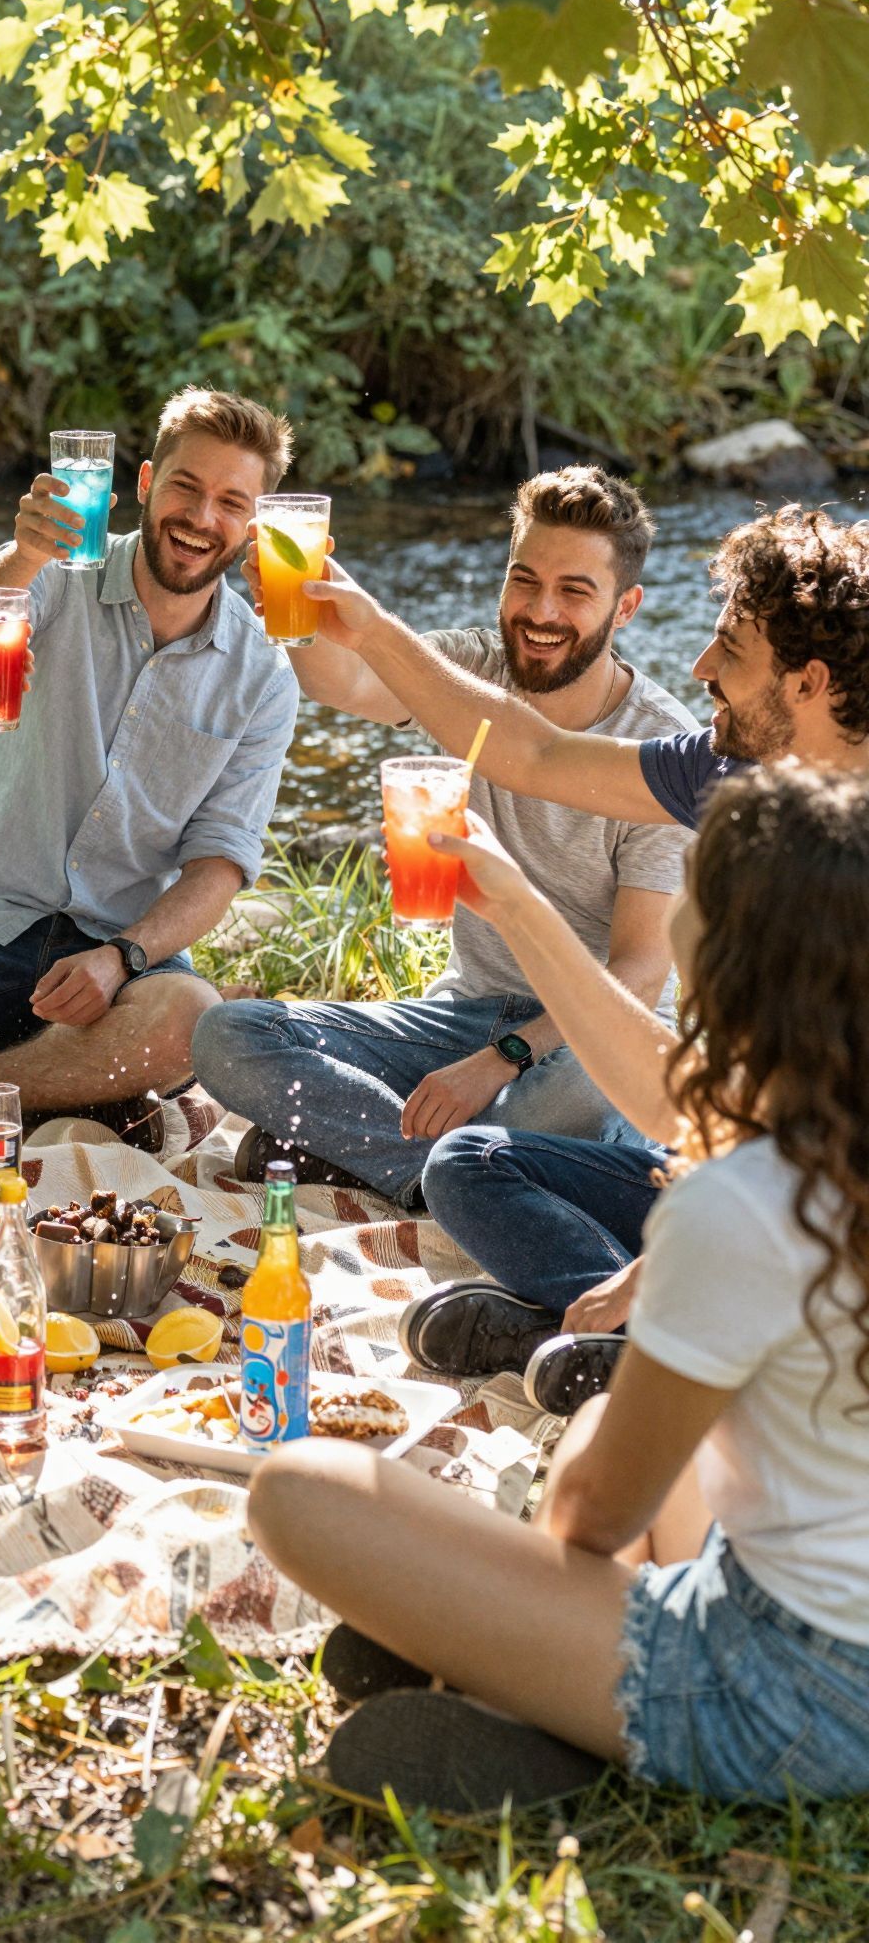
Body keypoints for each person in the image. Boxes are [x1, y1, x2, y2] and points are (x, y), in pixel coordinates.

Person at [249, 766, 869, 1812]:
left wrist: (506, 1595)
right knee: (588, 1424)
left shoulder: (739, 1204)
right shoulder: (813, 1162)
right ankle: (527, 1681)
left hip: (786, 1702)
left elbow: (590, 1520)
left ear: (725, 963)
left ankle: (540, 1707)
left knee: (299, 1489)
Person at [310, 504, 869, 1413]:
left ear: (808, 682)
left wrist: (682, 1246)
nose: (698, 670)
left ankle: (628, 1337)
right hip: (742, 1164)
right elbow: (534, 750)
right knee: (470, 1163)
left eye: (728, 650)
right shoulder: (732, 771)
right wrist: (372, 631)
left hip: (823, 1226)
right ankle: (609, 1328)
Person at [192, 466, 694, 1202]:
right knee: (228, 1036)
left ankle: (378, 1148)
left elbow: (638, 975)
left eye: (575, 591)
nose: (540, 610)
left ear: (626, 609)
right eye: (524, 581)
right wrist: (299, 606)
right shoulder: (468, 671)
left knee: (577, 1099)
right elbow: (347, 682)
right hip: (458, 1013)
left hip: (583, 1039)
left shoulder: (657, 752)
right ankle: (452, 1175)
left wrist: (503, 1058)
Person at [0, 389, 302, 1153]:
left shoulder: (263, 677)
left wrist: (123, 958)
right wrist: (25, 551)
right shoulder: (54, 573)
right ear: (144, 483)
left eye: (230, 502)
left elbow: (219, 865)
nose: (201, 518)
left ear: (254, 525)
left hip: (119, 952)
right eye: (185, 487)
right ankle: (28, 1072)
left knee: (189, 1021)